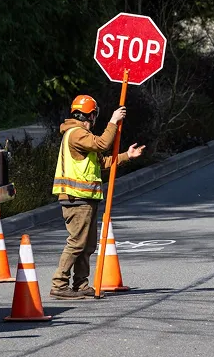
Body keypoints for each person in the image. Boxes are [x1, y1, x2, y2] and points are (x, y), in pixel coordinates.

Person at [50, 94, 145, 299]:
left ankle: (80, 284)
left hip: (86, 197)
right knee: (77, 242)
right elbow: (103, 144)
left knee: (87, 244)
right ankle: (59, 284)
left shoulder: (83, 137)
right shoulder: (76, 134)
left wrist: (127, 155)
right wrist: (113, 121)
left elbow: (102, 162)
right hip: (77, 198)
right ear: (91, 116)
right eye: (94, 116)